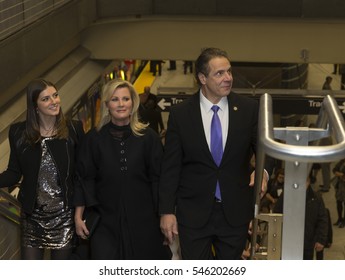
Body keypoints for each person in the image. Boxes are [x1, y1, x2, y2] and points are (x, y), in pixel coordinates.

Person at [159, 47, 268, 260]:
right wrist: (166, 211)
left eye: (229, 72)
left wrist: (263, 171)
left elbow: (266, 149)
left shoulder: (248, 109)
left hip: (234, 214)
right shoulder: (181, 115)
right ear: (202, 78)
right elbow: (171, 167)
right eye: (219, 73)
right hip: (193, 214)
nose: (228, 78)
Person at [74, 79, 171, 260]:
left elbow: (159, 179)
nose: (121, 104)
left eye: (125, 99)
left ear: (133, 103)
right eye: (115, 99)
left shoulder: (148, 137)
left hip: (144, 222)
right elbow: (84, 178)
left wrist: (164, 215)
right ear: (106, 105)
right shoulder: (93, 139)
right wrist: (78, 217)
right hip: (104, 221)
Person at [0, 78, 84, 260]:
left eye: (55, 95)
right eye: (46, 98)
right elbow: (14, 173)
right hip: (32, 218)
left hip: (64, 217)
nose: (54, 101)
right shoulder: (18, 133)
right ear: (35, 105)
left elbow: (80, 176)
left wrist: (79, 215)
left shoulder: (73, 129)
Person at [274, 174, 328, 260]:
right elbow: (276, 214)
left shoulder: (316, 198)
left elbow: (322, 219)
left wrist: (321, 240)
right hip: (288, 242)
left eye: (305, 181)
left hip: (307, 243)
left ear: (308, 182)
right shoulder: (286, 195)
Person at [331, 159, 345, 228]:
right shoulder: (342, 161)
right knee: (338, 202)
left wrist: (340, 174)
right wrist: (339, 174)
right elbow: (334, 169)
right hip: (340, 186)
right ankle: (339, 218)